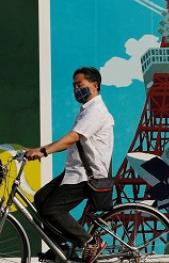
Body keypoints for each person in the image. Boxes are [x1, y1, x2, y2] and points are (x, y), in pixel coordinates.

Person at [25, 67, 114, 263]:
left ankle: (90, 242)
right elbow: (69, 140)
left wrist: (44, 152)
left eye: (79, 85)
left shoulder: (97, 111)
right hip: (75, 171)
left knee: (52, 209)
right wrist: (39, 148)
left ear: (94, 85)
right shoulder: (86, 111)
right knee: (41, 199)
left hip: (88, 175)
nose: (75, 89)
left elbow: (73, 137)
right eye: (74, 85)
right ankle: (61, 247)